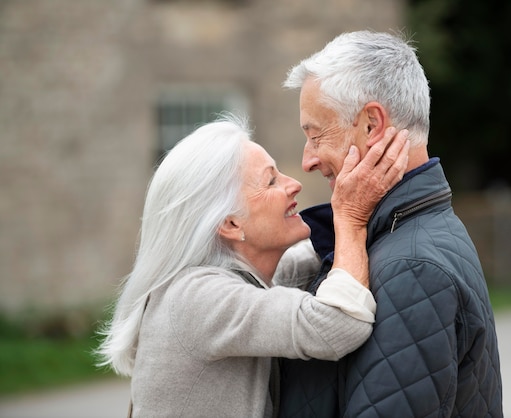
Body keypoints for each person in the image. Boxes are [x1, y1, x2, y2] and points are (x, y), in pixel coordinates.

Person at [95, 113, 409, 418]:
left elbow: (304, 263)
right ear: (230, 223)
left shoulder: (234, 282)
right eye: (271, 180)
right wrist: (351, 216)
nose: (294, 184)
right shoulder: (196, 297)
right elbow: (338, 325)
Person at [277, 30, 503, 417]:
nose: (308, 161)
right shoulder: (402, 236)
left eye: (316, 135)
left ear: (371, 125)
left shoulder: (411, 267)